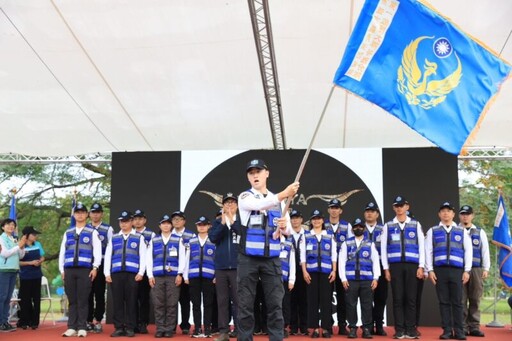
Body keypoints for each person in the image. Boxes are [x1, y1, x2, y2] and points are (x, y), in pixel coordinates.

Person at [237, 158, 299, 341]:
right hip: (248, 258)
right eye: (251, 173)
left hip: (272, 259)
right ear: (248, 177)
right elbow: (258, 206)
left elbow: (288, 231)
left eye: (258, 171)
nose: (255, 175)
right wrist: (284, 194)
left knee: (275, 305)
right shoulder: (245, 197)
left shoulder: (279, 202)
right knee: (245, 305)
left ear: (267, 173)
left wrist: (283, 226)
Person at [425, 202, 472, 340]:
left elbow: (468, 251)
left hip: (457, 270)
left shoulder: (461, 231)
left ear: (453, 214)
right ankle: (446, 330)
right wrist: (430, 270)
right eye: (443, 211)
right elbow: (428, 251)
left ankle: (459, 331)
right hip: (440, 271)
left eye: (448, 211)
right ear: (439, 214)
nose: (446, 213)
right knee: (444, 301)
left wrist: (467, 270)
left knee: (458, 301)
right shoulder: (432, 231)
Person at [380, 196, 425, 339]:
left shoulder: (415, 224)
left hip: (412, 265)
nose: (399, 208)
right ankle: (399, 329)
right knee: (398, 299)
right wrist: (386, 268)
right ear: (393, 208)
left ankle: (411, 329)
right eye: (396, 206)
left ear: (407, 207)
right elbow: (383, 248)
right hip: (395, 266)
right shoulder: (388, 226)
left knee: (411, 298)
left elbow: (421, 247)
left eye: (401, 205)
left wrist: (421, 266)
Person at [58, 203, 102, 337]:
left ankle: (82, 326)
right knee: (72, 299)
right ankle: (71, 326)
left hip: (85, 270)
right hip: (69, 270)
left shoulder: (92, 232)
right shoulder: (68, 232)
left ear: (87, 215)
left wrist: (95, 267)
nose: (80, 214)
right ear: (74, 215)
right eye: (77, 212)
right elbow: (62, 252)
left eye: (83, 212)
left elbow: (98, 251)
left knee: (83, 299)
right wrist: (62, 269)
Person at [104, 210, 146, 337]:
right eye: (121, 221)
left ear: (131, 222)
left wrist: (141, 272)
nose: (123, 224)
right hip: (116, 273)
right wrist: (107, 273)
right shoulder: (114, 237)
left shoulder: (139, 237)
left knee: (131, 301)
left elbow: (143, 256)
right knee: (117, 301)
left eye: (126, 221)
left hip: (132, 274)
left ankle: (130, 328)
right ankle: (118, 327)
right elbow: (108, 256)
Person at [147, 214, 187, 338]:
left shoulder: (178, 239)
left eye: (168, 223)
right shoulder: (154, 240)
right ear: (160, 226)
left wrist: (180, 274)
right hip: (157, 276)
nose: (165, 225)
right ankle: (160, 328)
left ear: (171, 225)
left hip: (173, 276)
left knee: (172, 303)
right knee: (158, 303)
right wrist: (149, 275)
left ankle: (169, 329)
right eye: (163, 223)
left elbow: (183, 258)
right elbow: (149, 259)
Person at [339, 218, 381, 339]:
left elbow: (375, 262)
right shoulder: (346, 243)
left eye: (361, 227)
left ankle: (366, 328)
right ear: (352, 229)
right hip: (351, 279)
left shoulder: (370, 243)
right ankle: (352, 328)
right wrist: (343, 278)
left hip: (367, 279)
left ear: (364, 229)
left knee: (367, 304)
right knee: (351, 304)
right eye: (356, 227)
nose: (358, 229)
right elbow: (341, 261)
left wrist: (376, 278)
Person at [209, 193, 240, 341]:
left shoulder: (242, 221)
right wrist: (222, 223)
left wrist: (232, 221)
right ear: (222, 206)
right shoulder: (217, 222)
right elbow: (213, 238)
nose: (229, 206)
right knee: (222, 300)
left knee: (239, 300)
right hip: (221, 267)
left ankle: (240, 330)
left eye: (232, 203)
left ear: (237, 206)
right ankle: (224, 332)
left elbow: (243, 234)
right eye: (227, 203)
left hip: (237, 267)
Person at [301, 209, 337, 338]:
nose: (316, 221)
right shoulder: (306, 236)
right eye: (314, 219)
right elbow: (303, 256)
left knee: (326, 301)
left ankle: (326, 328)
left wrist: (334, 270)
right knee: (312, 301)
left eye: (318, 218)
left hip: (326, 273)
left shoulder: (329, 236)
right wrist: (304, 271)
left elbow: (334, 255)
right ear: (311, 221)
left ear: (323, 220)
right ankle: (315, 328)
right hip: (311, 273)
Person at [458, 205, 489, 337]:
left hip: (476, 268)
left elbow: (485, 250)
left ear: (472, 216)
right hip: (460, 269)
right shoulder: (455, 230)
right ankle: (463, 327)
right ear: (459, 215)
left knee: (475, 298)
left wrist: (486, 268)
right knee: (461, 299)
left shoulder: (479, 232)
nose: (465, 216)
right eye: (463, 214)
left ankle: (474, 326)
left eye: (468, 214)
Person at [324, 198, 351, 335]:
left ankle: (342, 325)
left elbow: (352, 246)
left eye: (336, 208)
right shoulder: (322, 225)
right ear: (328, 210)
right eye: (332, 207)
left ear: (341, 210)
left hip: (342, 268)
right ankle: (327, 325)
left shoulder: (347, 226)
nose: (334, 210)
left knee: (342, 297)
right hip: (326, 266)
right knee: (326, 297)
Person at [186, 216, 216, 338]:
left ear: (209, 226)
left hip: (209, 276)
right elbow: (186, 259)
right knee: (196, 303)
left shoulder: (213, 241)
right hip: (193, 276)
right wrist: (185, 275)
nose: (202, 227)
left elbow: (217, 259)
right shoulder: (191, 241)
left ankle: (207, 328)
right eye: (199, 225)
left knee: (208, 303)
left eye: (204, 224)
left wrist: (216, 275)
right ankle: (197, 328)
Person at [87, 202, 113, 333]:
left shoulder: (108, 229)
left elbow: (111, 248)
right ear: (89, 214)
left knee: (99, 293)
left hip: (101, 264)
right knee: (87, 293)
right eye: (93, 212)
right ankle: (88, 320)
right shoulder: (85, 228)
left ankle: (98, 320)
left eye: (98, 212)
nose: (95, 215)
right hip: (86, 264)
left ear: (101, 214)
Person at [362, 202, 387, 336]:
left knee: (380, 298)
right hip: (364, 269)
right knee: (366, 299)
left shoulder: (384, 229)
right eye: (367, 211)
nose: (369, 213)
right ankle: (368, 325)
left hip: (381, 268)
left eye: (372, 211)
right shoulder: (359, 229)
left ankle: (379, 324)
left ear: (377, 214)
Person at [170, 210, 196, 335]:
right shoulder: (167, 234)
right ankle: (171, 325)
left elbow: (194, 256)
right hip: (171, 272)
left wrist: (186, 274)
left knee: (185, 301)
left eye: (179, 219)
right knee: (171, 301)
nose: (177, 221)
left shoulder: (191, 235)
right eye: (174, 219)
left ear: (184, 221)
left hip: (186, 273)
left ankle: (185, 325)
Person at [0, 218, 26, 332]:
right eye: (8, 225)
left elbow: (21, 256)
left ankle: (5, 321)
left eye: (13, 225)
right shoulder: (1, 238)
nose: (11, 226)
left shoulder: (14, 239)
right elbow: (5, 254)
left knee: (7, 298)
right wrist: (18, 246)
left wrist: (22, 246)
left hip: (13, 270)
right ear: (3, 227)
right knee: (2, 297)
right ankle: (1, 322)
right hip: (3, 270)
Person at [18, 226, 45, 330]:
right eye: (33, 234)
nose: (35, 236)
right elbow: (18, 261)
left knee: (36, 299)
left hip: (37, 275)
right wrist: (30, 262)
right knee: (25, 300)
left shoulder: (38, 244)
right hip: (25, 276)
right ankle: (24, 321)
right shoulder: (20, 246)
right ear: (26, 235)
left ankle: (35, 322)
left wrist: (40, 261)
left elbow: (42, 256)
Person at [132, 209, 154, 334]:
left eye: (140, 219)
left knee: (144, 298)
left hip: (145, 272)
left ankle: (143, 323)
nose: (137, 221)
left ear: (145, 220)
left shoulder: (151, 235)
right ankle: (133, 322)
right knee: (132, 298)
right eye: (135, 219)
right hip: (131, 270)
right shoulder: (129, 233)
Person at [288, 209, 309, 336]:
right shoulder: (286, 234)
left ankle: (304, 326)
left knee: (304, 299)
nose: (295, 220)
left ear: (302, 219)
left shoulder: (307, 235)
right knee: (291, 300)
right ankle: (293, 326)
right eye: (293, 218)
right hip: (290, 271)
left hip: (303, 271)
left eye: (297, 218)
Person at [280, 229, 296, 338]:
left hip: (285, 280)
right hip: (271, 280)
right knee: (272, 305)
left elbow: (292, 263)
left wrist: (291, 280)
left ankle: (285, 327)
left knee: (285, 304)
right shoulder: (270, 242)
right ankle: (274, 327)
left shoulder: (289, 244)